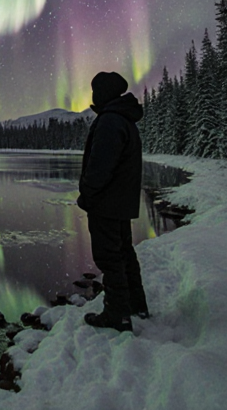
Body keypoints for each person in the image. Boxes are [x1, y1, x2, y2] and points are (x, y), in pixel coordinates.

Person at [77, 71, 149, 332]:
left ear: (104, 93)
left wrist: (87, 193)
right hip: (120, 203)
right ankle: (135, 305)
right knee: (124, 254)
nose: (93, 95)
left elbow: (100, 168)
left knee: (110, 258)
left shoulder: (110, 121)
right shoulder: (124, 119)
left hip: (107, 204)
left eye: (96, 90)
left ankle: (117, 314)